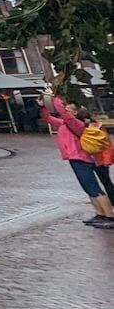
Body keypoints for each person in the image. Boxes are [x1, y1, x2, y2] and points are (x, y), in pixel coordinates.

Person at [41, 95, 114, 228]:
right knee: (89, 189)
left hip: (81, 159)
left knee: (94, 188)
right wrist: (43, 106)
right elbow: (48, 118)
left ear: (75, 113)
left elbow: (63, 113)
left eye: (68, 110)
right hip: (75, 158)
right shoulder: (65, 123)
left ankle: (110, 216)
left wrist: (55, 96)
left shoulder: (77, 124)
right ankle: (100, 213)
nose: (65, 111)